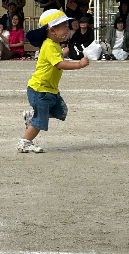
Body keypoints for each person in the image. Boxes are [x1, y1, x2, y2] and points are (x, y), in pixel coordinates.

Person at [19, 8, 88, 153]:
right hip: (40, 90)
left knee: (61, 111)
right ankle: (25, 142)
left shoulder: (55, 44)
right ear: (52, 30)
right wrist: (79, 65)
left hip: (50, 89)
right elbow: (59, 64)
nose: (68, 29)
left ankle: (32, 115)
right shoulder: (49, 45)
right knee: (40, 120)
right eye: (64, 26)